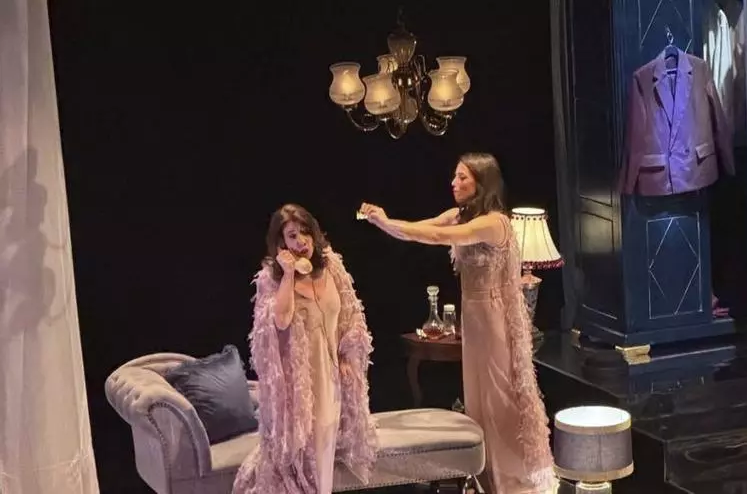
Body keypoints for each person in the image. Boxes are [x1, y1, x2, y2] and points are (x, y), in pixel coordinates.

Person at [359, 153, 555, 493]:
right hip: (473, 316)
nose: (454, 183)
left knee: (497, 397)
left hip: (493, 315)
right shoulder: (460, 215)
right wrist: (385, 223)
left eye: (463, 177)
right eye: (454, 176)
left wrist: (386, 221)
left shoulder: (494, 222)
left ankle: (512, 480)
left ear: (482, 182)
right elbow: (423, 230)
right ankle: (484, 475)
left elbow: (438, 238)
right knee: (476, 397)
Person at [233, 204, 377, 494]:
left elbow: (351, 316)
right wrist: (288, 274)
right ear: (280, 244)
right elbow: (281, 321)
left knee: (325, 452)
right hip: (300, 388)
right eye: (292, 236)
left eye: (305, 232)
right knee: (309, 460)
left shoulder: (332, 267)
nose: (301, 242)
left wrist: (345, 354)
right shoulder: (271, 280)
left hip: (333, 379)